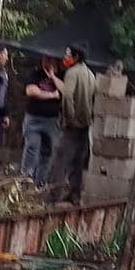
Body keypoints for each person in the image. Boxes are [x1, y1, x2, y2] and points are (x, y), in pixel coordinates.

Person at [48, 42, 96, 202]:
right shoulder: (90, 75)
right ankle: (75, 195)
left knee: (60, 160)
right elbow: (94, 98)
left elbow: (67, 96)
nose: (65, 57)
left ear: (76, 57)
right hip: (85, 125)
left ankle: (54, 195)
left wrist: (69, 118)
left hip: (72, 125)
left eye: (68, 55)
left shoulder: (72, 73)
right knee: (77, 161)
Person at [20, 56, 64, 187]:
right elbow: (31, 91)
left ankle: (40, 181)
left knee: (48, 151)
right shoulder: (35, 73)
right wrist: (52, 95)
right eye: (44, 58)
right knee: (31, 147)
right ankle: (25, 180)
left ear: (55, 60)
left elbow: (65, 91)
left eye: (49, 59)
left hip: (52, 120)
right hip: (34, 118)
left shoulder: (62, 75)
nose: (45, 61)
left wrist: (53, 77)